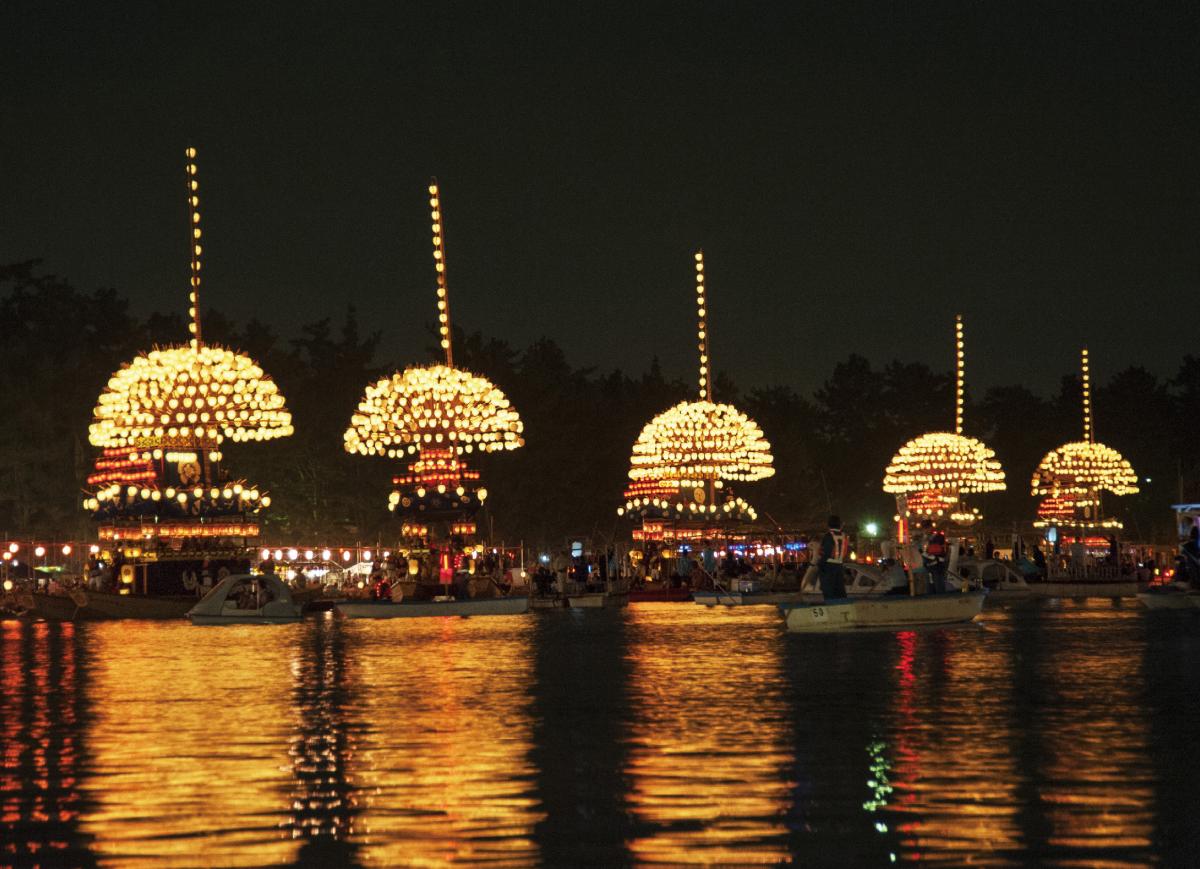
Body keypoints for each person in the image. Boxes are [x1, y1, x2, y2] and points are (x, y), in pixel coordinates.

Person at [816, 515, 848, 600]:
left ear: (829, 524)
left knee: (829, 591)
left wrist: (820, 565)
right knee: (840, 591)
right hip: (839, 566)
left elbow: (826, 552)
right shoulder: (844, 536)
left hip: (828, 567)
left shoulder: (829, 536)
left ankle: (830, 608)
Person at [921, 519, 948, 594]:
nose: (925, 530)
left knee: (939, 587)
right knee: (930, 588)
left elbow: (939, 552)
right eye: (924, 528)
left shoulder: (938, 537)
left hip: (937, 566)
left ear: (931, 527)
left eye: (927, 527)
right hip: (928, 566)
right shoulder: (924, 539)